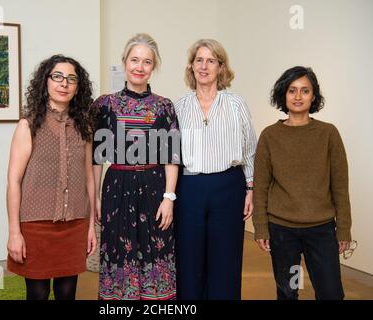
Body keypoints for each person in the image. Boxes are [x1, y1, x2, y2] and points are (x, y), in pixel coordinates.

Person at [93, 33, 180, 300]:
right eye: (134, 60)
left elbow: (172, 157)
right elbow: (97, 158)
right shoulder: (104, 105)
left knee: (156, 249)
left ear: (153, 67)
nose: (139, 67)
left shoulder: (165, 106)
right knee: (119, 250)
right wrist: (95, 197)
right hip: (117, 187)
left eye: (146, 62)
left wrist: (169, 197)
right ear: (124, 62)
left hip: (154, 189)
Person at [253, 66, 352, 300]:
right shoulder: (270, 136)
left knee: (331, 293)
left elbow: (340, 184)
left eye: (305, 91)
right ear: (283, 95)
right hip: (282, 230)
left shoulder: (328, 134)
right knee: (288, 292)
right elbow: (261, 186)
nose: (298, 96)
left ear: (314, 96)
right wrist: (261, 227)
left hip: (321, 229)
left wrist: (344, 228)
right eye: (292, 90)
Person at [6, 55, 97, 300]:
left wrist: (91, 227)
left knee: (67, 292)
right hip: (36, 226)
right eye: (57, 76)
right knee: (37, 293)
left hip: (75, 223)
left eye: (71, 79)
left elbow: (89, 178)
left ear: (78, 87)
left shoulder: (85, 128)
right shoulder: (28, 126)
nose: (64, 83)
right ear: (45, 82)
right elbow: (14, 182)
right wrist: (14, 232)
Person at [174, 39, 257, 300]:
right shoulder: (179, 106)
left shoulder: (236, 104)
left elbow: (250, 148)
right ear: (191, 66)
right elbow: (171, 154)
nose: (204, 66)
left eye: (211, 60)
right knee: (188, 257)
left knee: (226, 257)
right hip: (189, 188)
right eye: (199, 60)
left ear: (221, 67)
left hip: (228, 186)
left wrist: (251, 188)